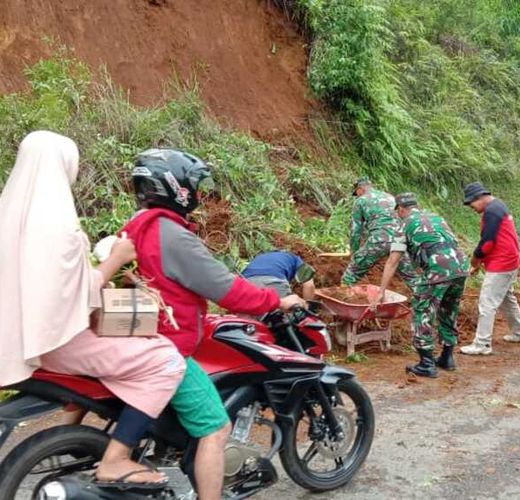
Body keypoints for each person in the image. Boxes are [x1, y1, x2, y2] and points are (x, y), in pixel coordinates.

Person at [0, 131, 186, 488]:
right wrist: (114, 261)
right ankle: (116, 459)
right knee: (165, 360)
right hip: (54, 341)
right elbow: (67, 296)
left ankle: (74, 433)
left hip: (19, 340)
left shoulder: (10, 216)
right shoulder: (56, 226)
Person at [123, 148, 305, 500]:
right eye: (194, 186)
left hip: (139, 337)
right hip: (169, 346)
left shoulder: (136, 225)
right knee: (215, 427)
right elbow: (227, 290)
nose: (198, 193)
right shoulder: (172, 235)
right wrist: (277, 299)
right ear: (174, 187)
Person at [374, 193, 470, 377]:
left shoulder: (404, 225)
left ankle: (426, 363)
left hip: (438, 268)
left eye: (398, 212)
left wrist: (381, 291)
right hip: (461, 267)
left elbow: (393, 261)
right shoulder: (437, 217)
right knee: (449, 309)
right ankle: (447, 357)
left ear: (401, 209)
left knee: (422, 310)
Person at [459, 182, 520, 356]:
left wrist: (475, 261)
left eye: (472, 204)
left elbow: (487, 242)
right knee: (507, 298)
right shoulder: (498, 206)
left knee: (487, 302)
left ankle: (482, 344)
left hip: (502, 262)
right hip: (509, 260)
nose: (472, 208)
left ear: (480, 197)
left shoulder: (492, 211)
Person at [341, 177, 419, 290]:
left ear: (360, 189)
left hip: (379, 239)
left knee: (351, 274)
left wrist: (354, 253)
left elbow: (356, 230)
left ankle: (344, 299)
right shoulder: (390, 197)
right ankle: (427, 303)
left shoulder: (361, 200)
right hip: (399, 240)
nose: (357, 195)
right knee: (412, 278)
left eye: (356, 193)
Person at [241, 250, 317, 300]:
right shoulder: (294, 258)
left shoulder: (260, 257)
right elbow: (309, 285)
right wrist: (308, 307)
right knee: (285, 319)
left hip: (245, 283)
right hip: (272, 280)